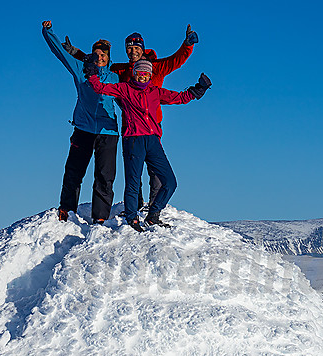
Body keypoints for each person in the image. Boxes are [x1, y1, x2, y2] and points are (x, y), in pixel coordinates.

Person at [70, 27, 198, 209]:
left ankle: (155, 204)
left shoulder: (157, 67)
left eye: (136, 48)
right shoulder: (121, 70)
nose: (132, 51)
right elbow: (99, 63)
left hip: (152, 125)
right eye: (129, 48)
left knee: (154, 168)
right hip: (130, 125)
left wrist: (187, 44)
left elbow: (176, 60)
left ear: (143, 48)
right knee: (133, 168)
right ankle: (135, 206)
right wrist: (76, 53)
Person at [86, 59, 211, 232]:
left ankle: (153, 215)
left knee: (170, 182)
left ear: (150, 75)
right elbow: (100, 88)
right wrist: (92, 74)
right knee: (133, 182)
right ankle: (132, 218)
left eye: (146, 74)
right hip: (134, 140)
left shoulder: (155, 92)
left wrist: (198, 90)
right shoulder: (124, 89)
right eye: (139, 73)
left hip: (153, 141)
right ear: (134, 73)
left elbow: (179, 98)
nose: (142, 76)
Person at [42, 20, 121, 224]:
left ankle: (101, 217)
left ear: (108, 57)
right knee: (74, 171)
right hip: (83, 129)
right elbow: (60, 52)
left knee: (105, 176)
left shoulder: (115, 78)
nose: (100, 57)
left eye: (103, 55)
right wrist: (48, 31)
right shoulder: (81, 70)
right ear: (91, 55)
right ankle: (66, 209)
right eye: (96, 54)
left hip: (108, 131)